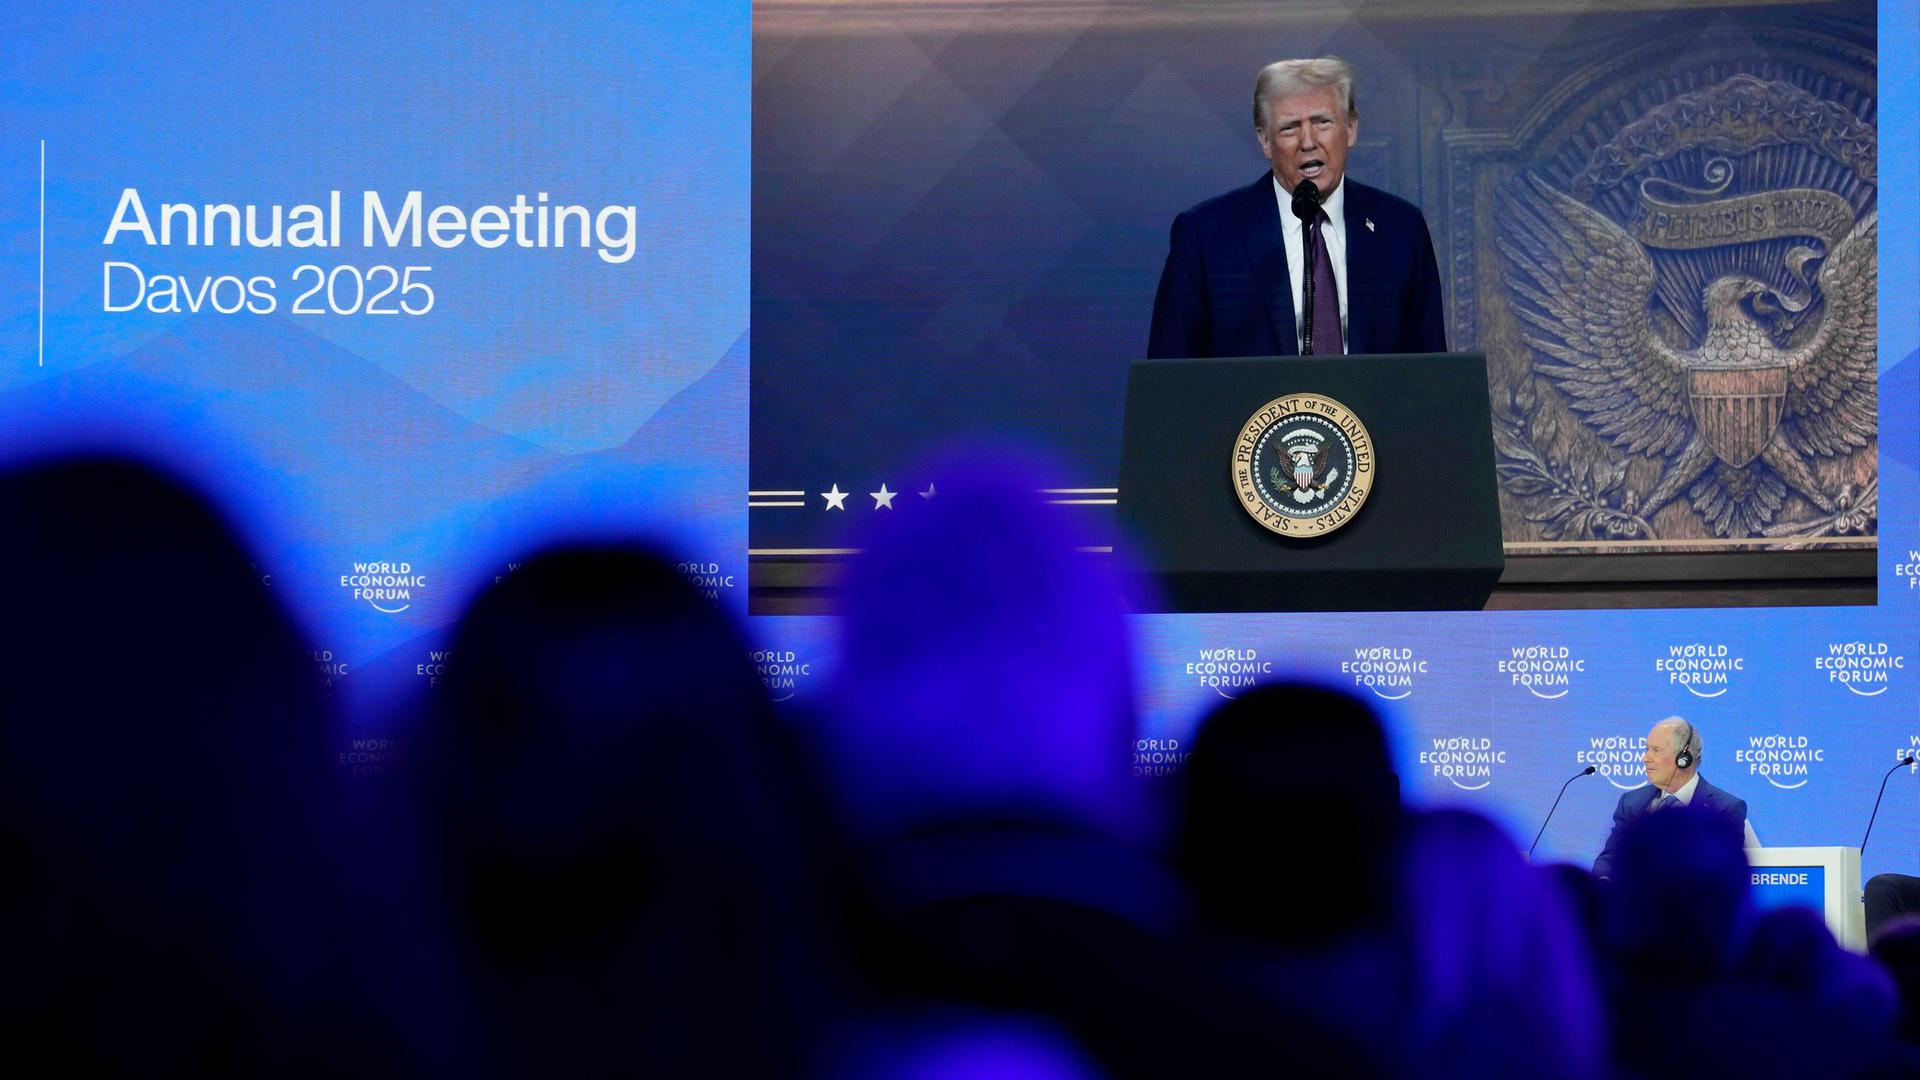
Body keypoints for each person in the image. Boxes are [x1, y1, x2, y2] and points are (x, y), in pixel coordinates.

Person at [1147, 56, 1447, 360]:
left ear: (1351, 129)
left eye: (1322, 122)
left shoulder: (1401, 229)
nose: (1308, 142)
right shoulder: (1206, 237)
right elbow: (1169, 380)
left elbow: (1433, 377)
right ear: (1265, 141)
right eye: (1289, 128)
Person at [1592, 717, 1750, 880]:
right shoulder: (1632, 803)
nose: (1645, 758)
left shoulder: (1725, 808)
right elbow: (1609, 859)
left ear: (1684, 758)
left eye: (1656, 750)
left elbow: (1726, 874)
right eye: (1647, 750)